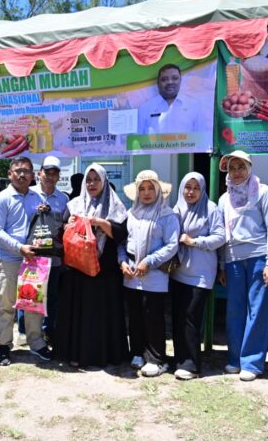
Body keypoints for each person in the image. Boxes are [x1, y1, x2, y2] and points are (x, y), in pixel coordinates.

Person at [54, 163, 128, 368]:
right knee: (78, 313)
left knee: (102, 314)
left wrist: (100, 223)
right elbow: (61, 233)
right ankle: (76, 354)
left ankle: (106, 355)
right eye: (88, 179)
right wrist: (71, 226)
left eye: (96, 180)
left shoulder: (115, 205)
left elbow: (121, 235)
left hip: (105, 271)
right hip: (77, 270)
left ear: (104, 181)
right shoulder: (74, 205)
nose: (92, 184)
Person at [218, 150, 268, 382]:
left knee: (257, 310)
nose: (236, 172)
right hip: (233, 259)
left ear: (250, 167)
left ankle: (252, 362)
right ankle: (235, 359)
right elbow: (224, 234)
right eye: (232, 167)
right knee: (234, 310)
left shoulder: (263, 193)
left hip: (259, 258)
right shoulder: (225, 199)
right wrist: (223, 265)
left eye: (241, 166)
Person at [0, 156, 51, 366]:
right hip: (8, 259)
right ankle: (4, 345)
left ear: (33, 175)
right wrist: (19, 248)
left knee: (33, 303)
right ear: (10, 174)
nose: (22, 174)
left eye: (26, 171)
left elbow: (43, 226)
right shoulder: (1, 199)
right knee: (6, 305)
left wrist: (46, 214)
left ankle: (36, 343)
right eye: (18, 171)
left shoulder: (37, 198)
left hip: (33, 261)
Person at [118, 170, 178, 377]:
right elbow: (122, 243)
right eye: (142, 188)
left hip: (154, 274)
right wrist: (122, 262)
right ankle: (137, 351)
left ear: (159, 190)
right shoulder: (131, 214)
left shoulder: (167, 215)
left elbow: (172, 245)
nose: (146, 193)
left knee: (153, 316)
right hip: (132, 273)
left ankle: (156, 358)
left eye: (151, 187)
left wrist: (149, 262)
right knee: (134, 315)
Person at [171, 172, 225, 380]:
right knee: (178, 317)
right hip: (178, 272)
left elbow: (221, 237)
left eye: (195, 188)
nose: (191, 192)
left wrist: (195, 242)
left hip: (200, 274)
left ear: (202, 190)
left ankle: (192, 364)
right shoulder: (177, 208)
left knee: (191, 318)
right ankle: (179, 359)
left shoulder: (210, 209)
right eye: (187, 187)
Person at [29, 155, 68, 344]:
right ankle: (25, 330)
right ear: (39, 173)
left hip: (54, 258)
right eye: (47, 172)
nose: (50, 177)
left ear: (59, 177)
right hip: (33, 256)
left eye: (54, 173)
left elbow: (65, 226)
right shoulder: (29, 194)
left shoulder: (63, 198)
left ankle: (49, 330)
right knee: (31, 293)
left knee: (51, 295)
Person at [137, 64, 197, 134]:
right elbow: (137, 140)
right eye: (164, 79)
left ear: (180, 81)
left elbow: (202, 139)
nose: (170, 82)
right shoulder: (145, 108)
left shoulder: (193, 106)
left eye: (174, 78)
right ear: (158, 83)